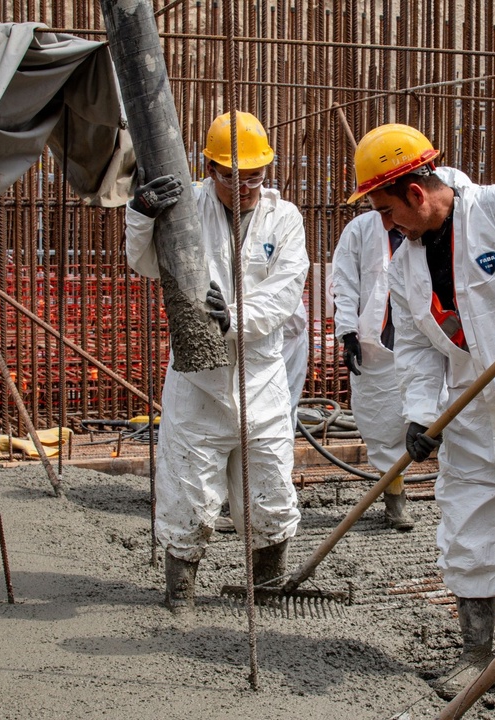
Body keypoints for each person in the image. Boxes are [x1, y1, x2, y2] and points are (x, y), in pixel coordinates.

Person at [348, 123, 495, 698]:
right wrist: (421, 415)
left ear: (415, 194)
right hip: (469, 412)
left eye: (386, 210)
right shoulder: (405, 266)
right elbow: (420, 349)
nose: (386, 224)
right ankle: (476, 653)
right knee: (467, 533)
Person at [125, 110, 309, 613]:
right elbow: (143, 263)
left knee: (270, 491)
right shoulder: (187, 209)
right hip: (197, 382)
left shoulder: (283, 218)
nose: (247, 186)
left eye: (256, 175)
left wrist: (235, 317)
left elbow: (287, 289)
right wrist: (141, 214)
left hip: (261, 377)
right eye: (234, 176)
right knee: (188, 494)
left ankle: (267, 594)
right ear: (209, 168)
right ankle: (179, 599)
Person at [331, 210, 416, 531]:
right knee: (382, 423)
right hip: (377, 343)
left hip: (427, 336)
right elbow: (344, 281)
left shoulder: (430, 221)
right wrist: (348, 332)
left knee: (444, 420)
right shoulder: (361, 230)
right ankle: (396, 501)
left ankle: (461, 504)